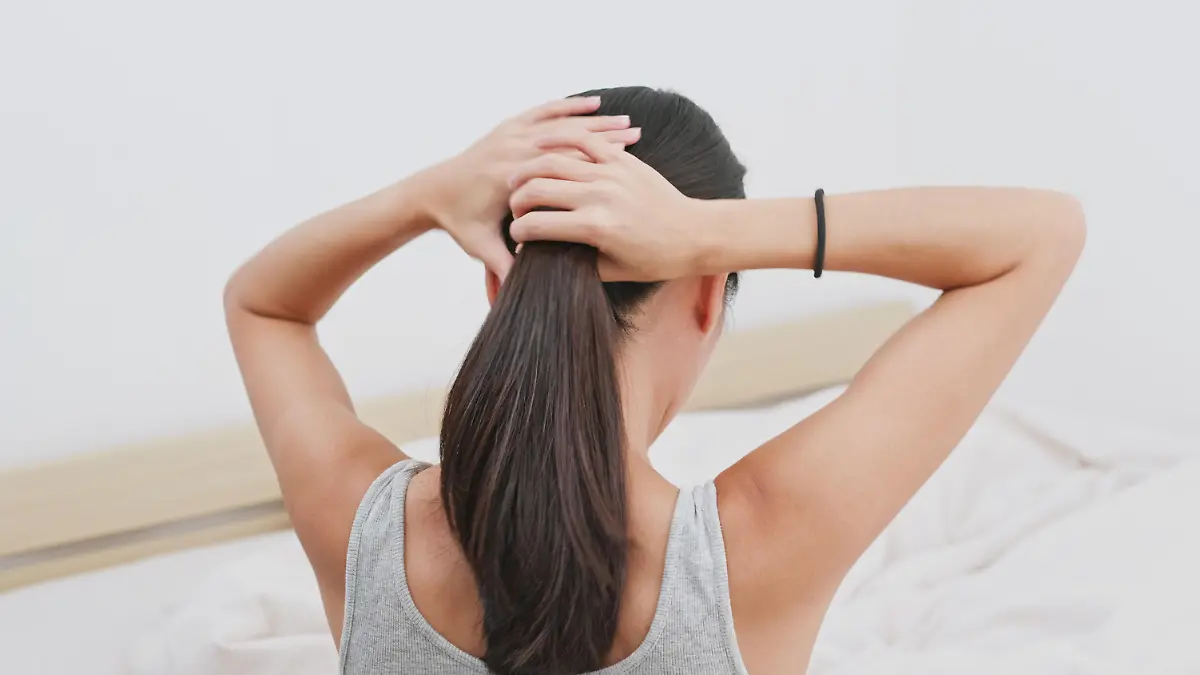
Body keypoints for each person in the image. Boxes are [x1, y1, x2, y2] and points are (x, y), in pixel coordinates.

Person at [224, 86, 1085, 674]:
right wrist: (716, 232)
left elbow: (262, 305)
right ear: (709, 295)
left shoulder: (364, 528)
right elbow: (1040, 234)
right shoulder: (756, 546)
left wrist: (426, 194)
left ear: (498, 282)